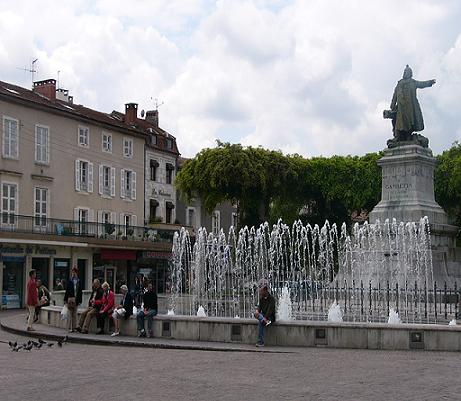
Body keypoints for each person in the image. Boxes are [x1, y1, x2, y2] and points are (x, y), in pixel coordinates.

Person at [389, 65, 436, 141]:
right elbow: (395, 95)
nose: (405, 73)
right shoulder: (400, 83)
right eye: (405, 72)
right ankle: (398, 137)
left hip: (411, 107)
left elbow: (422, 84)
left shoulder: (413, 82)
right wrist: (392, 105)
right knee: (399, 123)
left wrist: (430, 82)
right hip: (401, 108)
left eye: (407, 72)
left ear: (410, 73)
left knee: (410, 122)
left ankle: (408, 136)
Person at [64, 267, 83, 332]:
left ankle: (74, 327)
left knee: (74, 314)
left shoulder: (79, 281)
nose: (73, 273)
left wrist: (80, 300)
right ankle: (69, 328)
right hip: (70, 299)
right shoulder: (70, 280)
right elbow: (67, 290)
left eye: (74, 272)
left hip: (76, 299)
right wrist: (65, 299)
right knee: (70, 313)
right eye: (73, 272)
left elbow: (80, 291)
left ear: (77, 273)